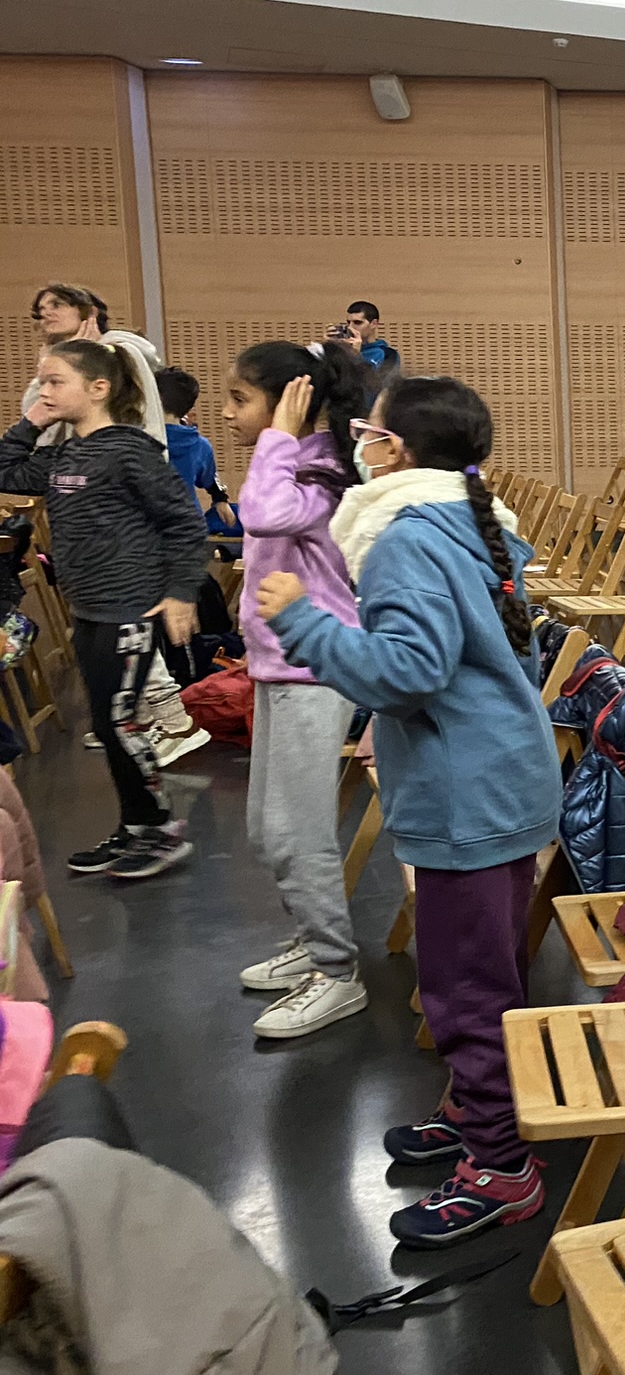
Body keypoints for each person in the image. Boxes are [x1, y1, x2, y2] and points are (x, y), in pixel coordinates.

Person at [256, 376, 558, 1248]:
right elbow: (476, 658)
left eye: (368, 430)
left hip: (467, 794)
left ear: (394, 450)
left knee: (465, 988)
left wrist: (304, 624)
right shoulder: (468, 519)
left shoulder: (406, 539)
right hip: (497, 775)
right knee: (482, 969)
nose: (360, 443)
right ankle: (476, 1110)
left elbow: (410, 669)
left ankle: (501, 1165)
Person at [0, 339, 210, 879]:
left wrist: (182, 593)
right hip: (91, 610)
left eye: (55, 382)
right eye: (41, 382)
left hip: (130, 609)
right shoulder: (65, 455)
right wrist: (32, 422)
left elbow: (185, 525)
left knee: (119, 721)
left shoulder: (129, 452)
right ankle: (136, 824)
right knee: (106, 721)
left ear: (99, 389)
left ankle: (160, 830)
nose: (44, 391)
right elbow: (5, 471)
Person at [222, 339, 375, 1040]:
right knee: (267, 827)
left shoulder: (320, 474)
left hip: (315, 672)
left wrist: (280, 435)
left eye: (240, 399)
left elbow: (261, 514)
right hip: (277, 667)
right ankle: (314, 942)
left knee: (298, 832)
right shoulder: (295, 463)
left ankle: (337, 971)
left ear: (292, 401)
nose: (229, 414)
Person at [154, 367, 234, 529]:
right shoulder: (200, 445)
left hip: (147, 526)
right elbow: (210, 479)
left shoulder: (138, 439)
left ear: (155, 398)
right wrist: (220, 499)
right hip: (189, 525)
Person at [343, 301, 401, 386]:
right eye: (348, 323)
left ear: (373, 324)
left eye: (358, 323)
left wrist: (356, 357)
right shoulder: (342, 351)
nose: (350, 327)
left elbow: (378, 386)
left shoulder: (388, 354)